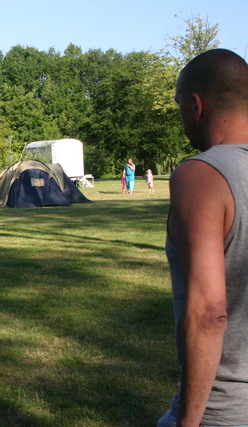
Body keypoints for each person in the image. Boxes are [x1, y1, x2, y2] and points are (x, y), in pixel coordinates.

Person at [157, 49, 248, 427]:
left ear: (196, 106)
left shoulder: (202, 175)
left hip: (225, 408)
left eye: (180, 106)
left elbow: (208, 312)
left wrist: (188, 422)